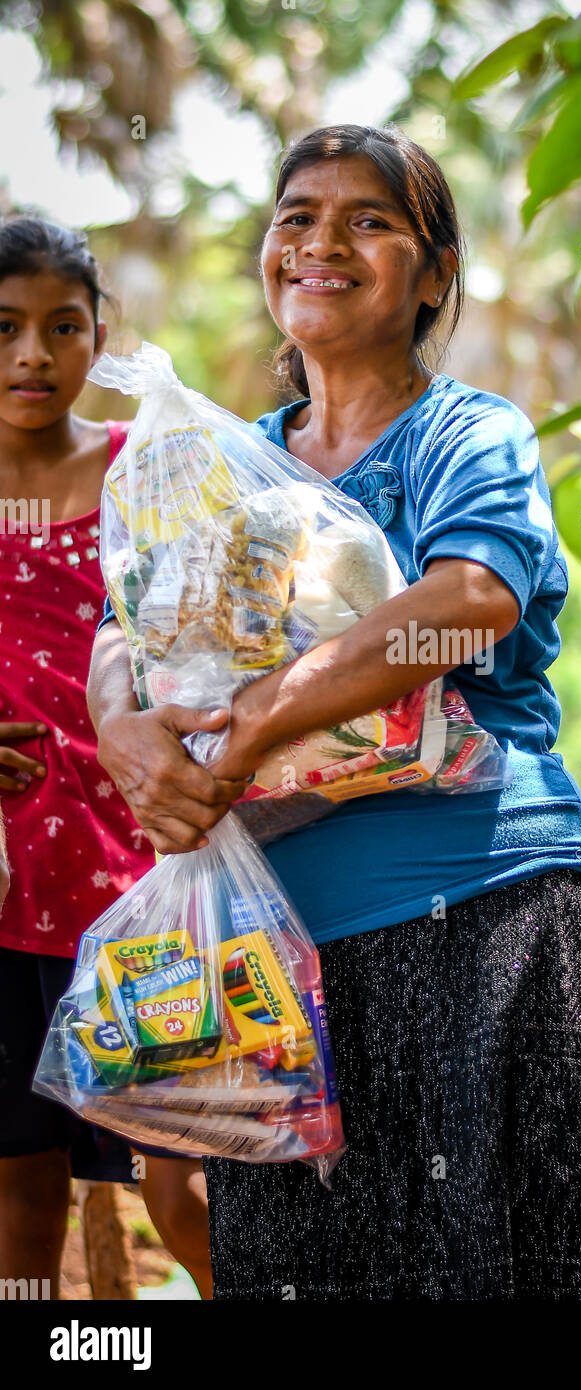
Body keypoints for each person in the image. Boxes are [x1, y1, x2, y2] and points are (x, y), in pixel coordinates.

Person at [88, 123, 581, 1300]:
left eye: (368, 220)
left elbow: (470, 597)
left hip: (485, 915)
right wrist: (124, 732)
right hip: (275, 958)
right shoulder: (221, 460)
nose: (320, 242)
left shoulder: (466, 432)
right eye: (296, 216)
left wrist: (251, 726)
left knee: (498, 1269)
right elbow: (125, 627)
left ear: (434, 274)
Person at [0, 216, 214, 1298]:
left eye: (61, 326)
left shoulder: (142, 476)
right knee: (18, 1193)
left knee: (182, 1179)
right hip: (3, 900)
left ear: (98, 339)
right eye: (3, 327)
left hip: (139, 885)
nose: (32, 354)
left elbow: (202, 642)